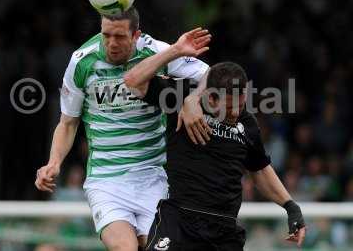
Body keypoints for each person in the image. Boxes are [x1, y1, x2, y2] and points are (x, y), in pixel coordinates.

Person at [35, 7, 211, 251]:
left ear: (136, 35)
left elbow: (211, 74)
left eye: (119, 37)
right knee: (124, 248)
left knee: (156, 248)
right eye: (106, 35)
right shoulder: (82, 61)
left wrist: (192, 101)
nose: (111, 43)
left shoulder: (155, 51)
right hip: (106, 179)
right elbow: (68, 122)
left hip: (152, 176)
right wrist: (54, 162)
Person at [124, 45, 306, 250]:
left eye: (241, 103)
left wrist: (291, 206)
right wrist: (176, 53)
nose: (236, 112)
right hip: (179, 222)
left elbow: (260, 169)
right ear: (210, 97)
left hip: (224, 230)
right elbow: (133, 80)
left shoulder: (247, 124)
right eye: (229, 107)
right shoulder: (180, 98)